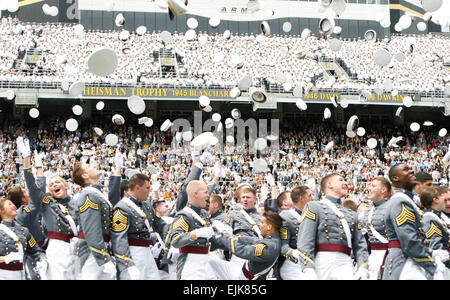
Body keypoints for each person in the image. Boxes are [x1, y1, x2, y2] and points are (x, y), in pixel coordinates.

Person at [18, 136, 79, 280]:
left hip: (78, 248)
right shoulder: (48, 204)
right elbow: (33, 188)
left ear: (66, 186)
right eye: (51, 185)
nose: (54, 185)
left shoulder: (77, 202)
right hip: (58, 249)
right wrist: (27, 160)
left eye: (57, 182)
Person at [381, 163, 449, 280]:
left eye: (411, 168)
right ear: (395, 178)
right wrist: (432, 265)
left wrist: (431, 253)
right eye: (406, 170)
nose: (412, 171)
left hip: (411, 261)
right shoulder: (400, 202)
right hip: (405, 263)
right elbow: (409, 241)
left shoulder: (410, 201)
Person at [297, 173, 369, 280]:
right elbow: (305, 240)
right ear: (329, 185)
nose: (345, 183)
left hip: (346, 262)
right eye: (340, 180)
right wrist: (308, 268)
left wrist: (363, 267)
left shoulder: (351, 214)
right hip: (322, 262)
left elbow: (360, 244)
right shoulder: (314, 207)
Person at [71, 151, 122, 280]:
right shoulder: (89, 195)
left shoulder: (96, 193)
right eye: (88, 166)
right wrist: (103, 258)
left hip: (98, 249)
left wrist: (118, 169)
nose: (93, 166)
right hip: (91, 252)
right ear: (85, 175)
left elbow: (113, 203)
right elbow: (92, 230)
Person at [111, 173, 162, 280]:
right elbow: (119, 239)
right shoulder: (122, 207)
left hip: (147, 252)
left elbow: (158, 224)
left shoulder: (145, 205)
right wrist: (127, 264)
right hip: (133, 253)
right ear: (137, 188)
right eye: (147, 188)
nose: (150, 190)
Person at [209, 211, 282, 280]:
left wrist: (223, 239)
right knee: (210, 259)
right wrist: (233, 238)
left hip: (243, 278)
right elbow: (252, 240)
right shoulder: (273, 240)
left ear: (269, 227)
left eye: (262, 223)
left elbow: (243, 250)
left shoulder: (271, 246)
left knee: (209, 261)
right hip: (240, 270)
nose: (259, 224)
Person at [168, 180, 218, 280]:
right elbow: (175, 240)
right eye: (205, 192)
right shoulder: (184, 215)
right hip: (190, 267)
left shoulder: (203, 214)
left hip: (206, 263)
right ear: (195, 194)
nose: (208, 196)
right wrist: (196, 233)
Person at [0, 197, 46, 280]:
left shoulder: (24, 231)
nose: (14, 206)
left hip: (21, 274)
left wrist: (43, 260)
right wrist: (5, 259)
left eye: (13, 204)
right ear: (1, 211)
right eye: (9, 204)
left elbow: (35, 251)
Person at [359, 176, 391, 280]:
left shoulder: (392, 207)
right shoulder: (368, 211)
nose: (369, 188)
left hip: (389, 257)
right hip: (372, 257)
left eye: (373, 186)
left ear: (383, 190)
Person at [278, 185, 312, 280]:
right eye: (309, 196)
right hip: (293, 264)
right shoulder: (286, 217)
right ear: (302, 198)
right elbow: (282, 246)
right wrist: (295, 253)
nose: (312, 198)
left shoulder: (310, 215)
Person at [420, 187, 450, 279]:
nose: (447, 203)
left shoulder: (436, 217)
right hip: (442, 266)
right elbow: (435, 247)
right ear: (435, 200)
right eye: (443, 199)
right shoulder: (430, 218)